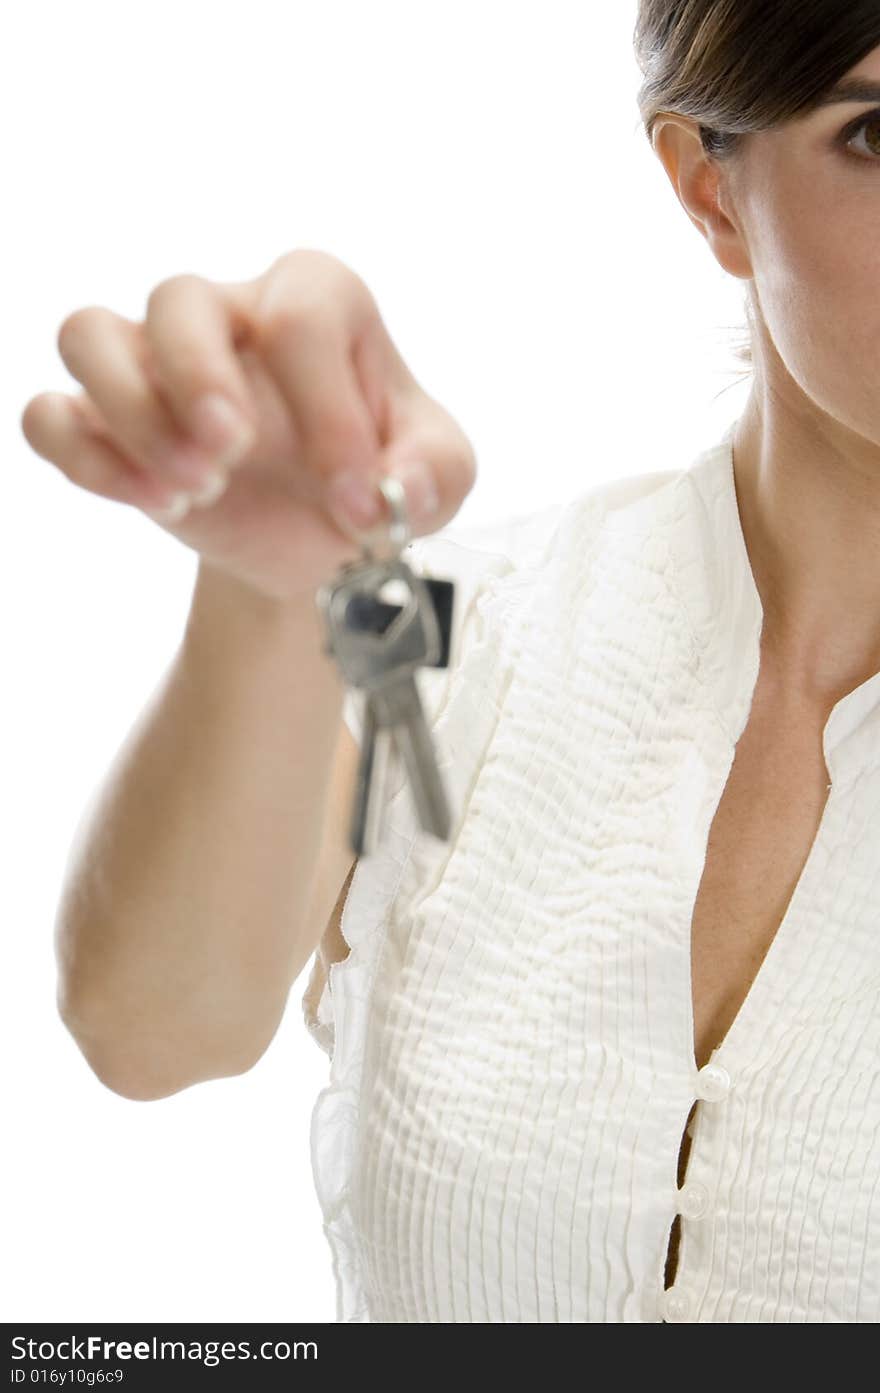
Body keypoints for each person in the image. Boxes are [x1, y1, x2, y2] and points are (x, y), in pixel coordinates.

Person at [20, 0, 880, 1323]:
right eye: (877, 133)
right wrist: (271, 590)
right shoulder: (454, 621)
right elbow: (151, 1027)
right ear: (711, 191)